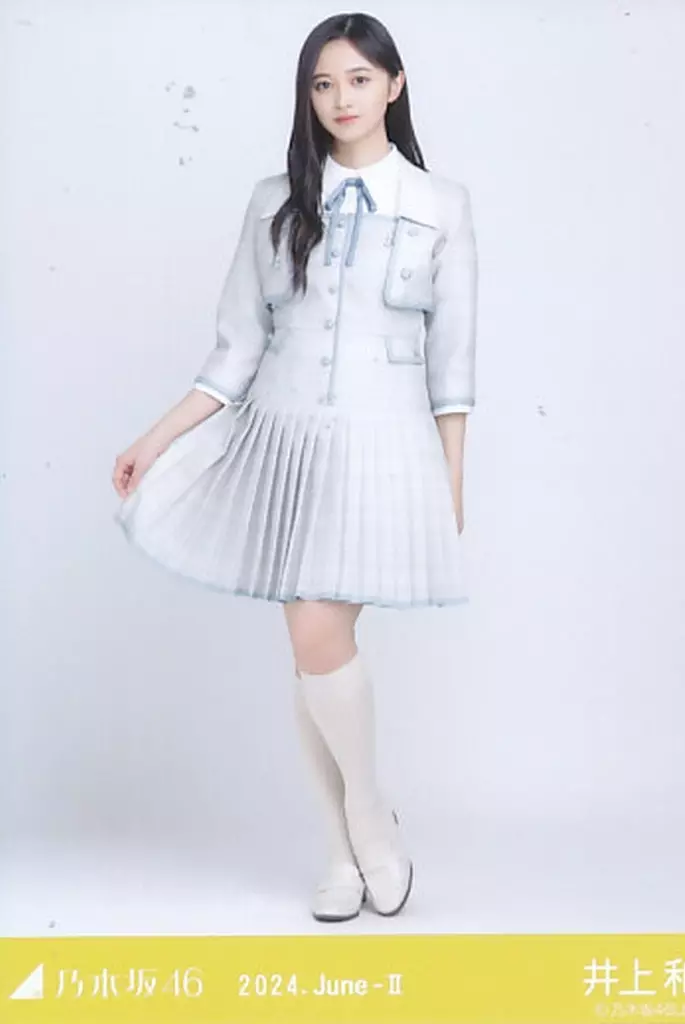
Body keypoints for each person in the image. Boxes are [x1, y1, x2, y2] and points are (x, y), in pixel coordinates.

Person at [112, 11, 478, 923]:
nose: (340, 99)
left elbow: (453, 369)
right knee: (308, 644)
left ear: (394, 86)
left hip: (384, 447)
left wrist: (451, 481)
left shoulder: (441, 206)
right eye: (323, 83)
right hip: (282, 443)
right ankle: (344, 846)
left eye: (358, 79)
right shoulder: (274, 201)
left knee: (318, 635)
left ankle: (366, 813)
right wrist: (155, 438)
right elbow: (238, 347)